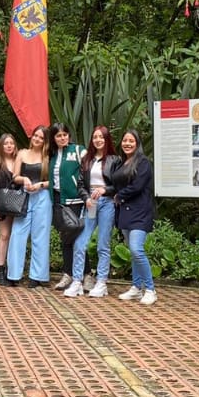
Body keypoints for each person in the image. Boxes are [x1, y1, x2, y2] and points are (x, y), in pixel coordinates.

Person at [67, 126, 120, 298]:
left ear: (106, 139)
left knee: (102, 244)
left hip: (106, 204)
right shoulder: (87, 160)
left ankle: (101, 282)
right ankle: (77, 281)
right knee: (80, 243)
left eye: (101, 137)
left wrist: (105, 190)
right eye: (95, 137)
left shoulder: (114, 159)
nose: (97, 140)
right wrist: (86, 198)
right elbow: (80, 185)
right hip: (91, 204)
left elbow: (119, 185)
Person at [113, 128, 156, 306]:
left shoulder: (143, 162)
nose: (127, 144)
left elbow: (138, 186)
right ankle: (136, 287)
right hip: (125, 213)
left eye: (131, 141)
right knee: (132, 251)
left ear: (137, 143)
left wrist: (120, 196)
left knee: (137, 249)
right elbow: (114, 186)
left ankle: (151, 289)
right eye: (125, 140)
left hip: (140, 212)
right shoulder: (121, 163)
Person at [5, 125, 52, 287]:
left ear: (45, 141)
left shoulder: (48, 157)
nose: (37, 139)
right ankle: (13, 274)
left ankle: (37, 276)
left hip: (42, 197)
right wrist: (24, 180)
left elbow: (54, 181)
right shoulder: (22, 153)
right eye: (35, 136)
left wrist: (40, 185)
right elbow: (15, 176)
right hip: (23, 196)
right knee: (18, 233)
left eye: (41, 137)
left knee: (40, 236)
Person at [50, 123, 86, 291]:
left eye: (65, 134)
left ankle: (86, 274)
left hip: (76, 200)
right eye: (58, 135)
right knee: (65, 237)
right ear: (54, 138)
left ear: (69, 136)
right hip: (58, 200)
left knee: (78, 237)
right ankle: (68, 274)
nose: (62, 138)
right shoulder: (51, 154)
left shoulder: (78, 150)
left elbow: (89, 170)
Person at [0, 133, 20, 284]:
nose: (9, 146)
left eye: (11, 143)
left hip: (18, 202)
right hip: (3, 204)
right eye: (6, 143)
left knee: (16, 236)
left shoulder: (19, 161)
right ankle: (1, 268)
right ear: (1, 146)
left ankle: (13, 269)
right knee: (4, 235)